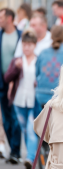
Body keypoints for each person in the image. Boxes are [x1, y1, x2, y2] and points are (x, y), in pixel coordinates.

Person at [4, 29, 38, 169]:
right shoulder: (17, 60)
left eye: (29, 45)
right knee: (24, 129)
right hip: (19, 100)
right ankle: (32, 153)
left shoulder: (38, 59)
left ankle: (30, 158)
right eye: (24, 44)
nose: (27, 48)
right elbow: (7, 78)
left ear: (34, 45)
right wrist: (16, 69)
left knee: (31, 129)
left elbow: (42, 77)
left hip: (33, 99)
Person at [0, 8, 22, 164]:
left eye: (1, 17)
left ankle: (15, 151)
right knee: (6, 119)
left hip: (16, 83)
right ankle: (12, 150)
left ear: (9, 19)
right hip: (1, 82)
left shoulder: (20, 36)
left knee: (16, 118)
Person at [35, 25, 63, 106]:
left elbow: (37, 74)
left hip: (42, 95)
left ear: (51, 36)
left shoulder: (43, 53)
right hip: (62, 97)